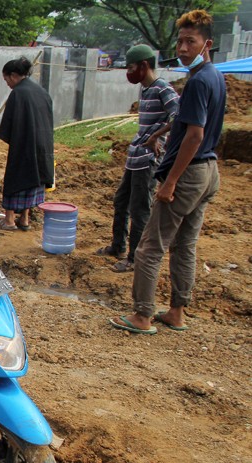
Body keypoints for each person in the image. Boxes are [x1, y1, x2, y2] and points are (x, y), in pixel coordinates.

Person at [110, 9, 223, 334]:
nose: (183, 48)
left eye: (191, 42)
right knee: (185, 245)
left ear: (207, 44)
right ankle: (177, 311)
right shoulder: (215, 77)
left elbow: (194, 135)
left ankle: (142, 315)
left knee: (149, 247)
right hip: (208, 171)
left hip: (188, 173)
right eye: (180, 41)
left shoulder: (198, 82)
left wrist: (171, 180)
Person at [96, 44, 179, 273]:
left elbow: (179, 116)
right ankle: (118, 246)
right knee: (121, 201)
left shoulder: (163, 88)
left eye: (131, 67)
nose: (128, 72)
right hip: (135, 157)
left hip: (148, 159)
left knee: (140, 208)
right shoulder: (145, 89)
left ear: (144, 65)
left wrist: (156, 136)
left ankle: (134, 258)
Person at [0, 57, 54, 231]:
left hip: (24, 146)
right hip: (42, 147)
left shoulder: (18, 93)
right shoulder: (41, 91)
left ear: (13, 75)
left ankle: (9, 220)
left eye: (6, 79)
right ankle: (24, 219)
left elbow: (10, 125)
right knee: (32, 181)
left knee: (15, 179)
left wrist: (14, 140)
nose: (7, 84)